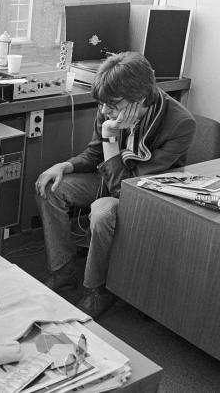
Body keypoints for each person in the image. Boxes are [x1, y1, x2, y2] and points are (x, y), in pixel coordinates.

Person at [34, 52, 195, 318]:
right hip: (109, 177)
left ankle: (97, 290)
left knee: (102, 211)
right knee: (50, 187)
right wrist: (65, 166)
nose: (106, 111)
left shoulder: (180, 124)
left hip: (146, 193)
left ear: (140, 99)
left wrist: (110, 137)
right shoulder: (109, 107)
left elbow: (126, 188)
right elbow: (94, 155)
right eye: (104, 104)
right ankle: (62, 273)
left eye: (113, 104)